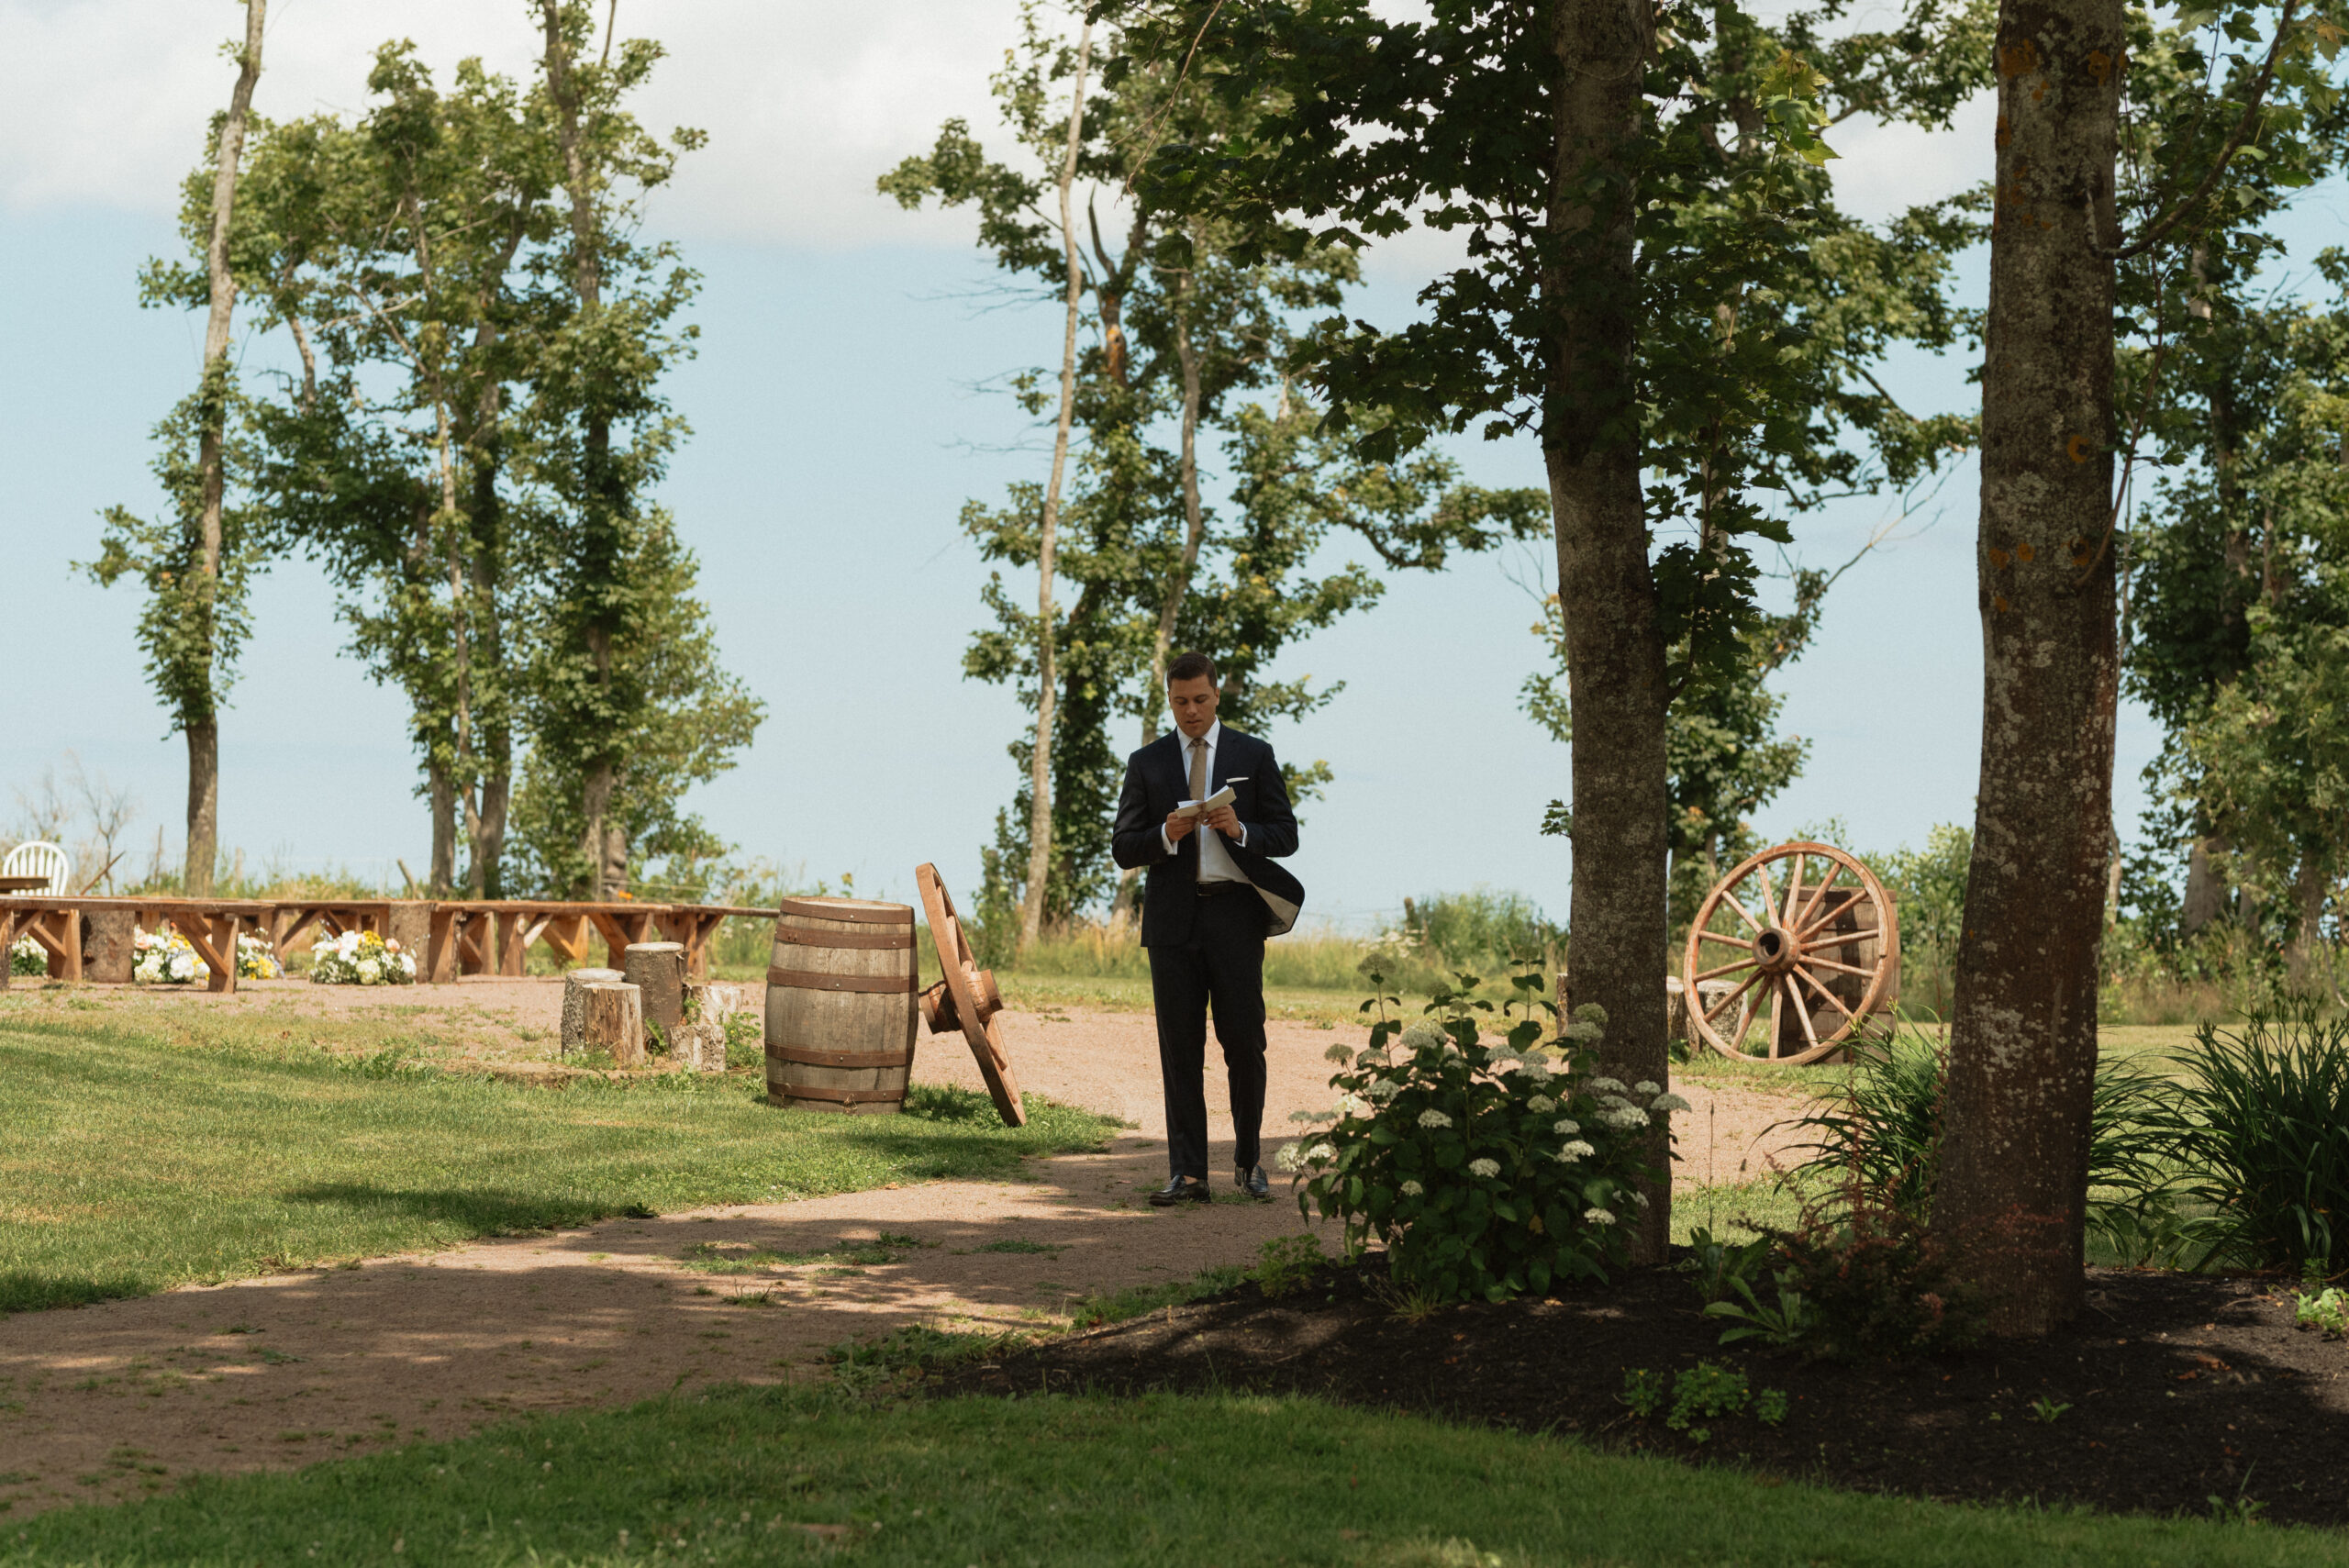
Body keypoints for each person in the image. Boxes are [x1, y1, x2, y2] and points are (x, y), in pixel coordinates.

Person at [1110, 651, 1306, 1206]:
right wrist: (1165, 833)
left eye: (1199, 699)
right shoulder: (1146, 763)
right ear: (1168, 700)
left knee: (1245, 1042)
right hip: (1172, 922)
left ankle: (1249, 1163)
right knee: (1180, 1049)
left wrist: (1241, 830)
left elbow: (1286, 835)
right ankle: (1188, 1173)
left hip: (1235, 918)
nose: (1190, 711)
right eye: (1179, 702)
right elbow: (1125, 848)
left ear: (1216, 695)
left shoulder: (1254, 752)